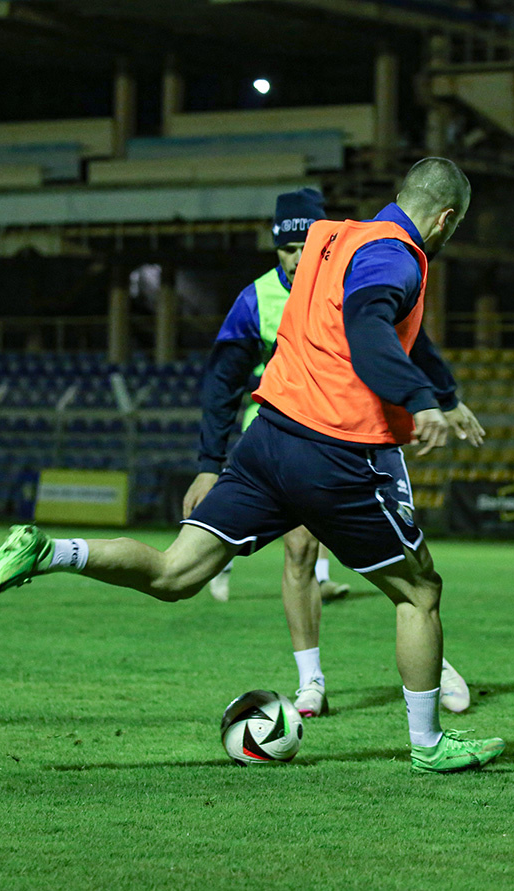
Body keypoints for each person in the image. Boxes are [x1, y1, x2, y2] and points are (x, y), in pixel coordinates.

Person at [0, 157, 502, 775]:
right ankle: (429, 744)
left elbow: (401, 328)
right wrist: (420, 398)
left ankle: (47, 551)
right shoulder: (398, 257)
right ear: (445, 219)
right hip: (334, 453)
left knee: (174, 574)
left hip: (266, 440)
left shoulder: (332, 239)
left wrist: (446, 393)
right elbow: (369, 326)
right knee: (419, 592)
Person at [182, 186, 470, 718]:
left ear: (318, 241)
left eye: (302, 246)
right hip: (284, 436)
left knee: (404, 566)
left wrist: (444, 397)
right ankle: (311, 680)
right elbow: (220, 384)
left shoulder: (352, 264)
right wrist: (208, 463)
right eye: (284, 249)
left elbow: (408, 339)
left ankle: (432, 658)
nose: (296, 258)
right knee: (300, 551)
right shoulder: (257, 299)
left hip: (361, 437)